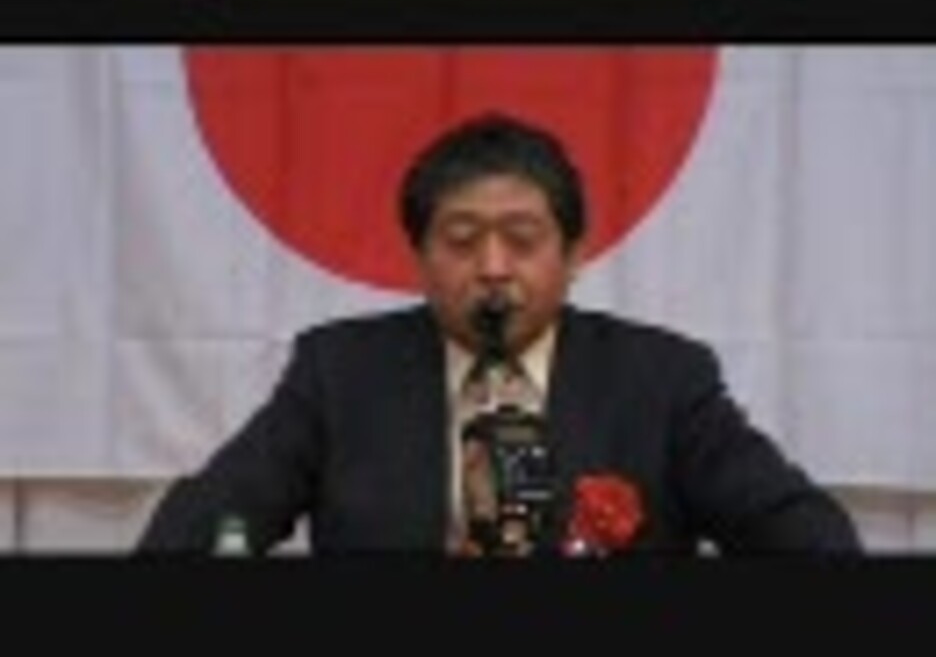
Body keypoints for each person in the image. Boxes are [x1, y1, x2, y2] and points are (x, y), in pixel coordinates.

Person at [136, 111, 862, 555]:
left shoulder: (664, 380)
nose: (491, 268)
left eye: (521, 240)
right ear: (419, 257)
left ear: (573, 256)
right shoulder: (341, 371)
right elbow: (212, 522)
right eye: (461, 240)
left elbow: (802, 534)